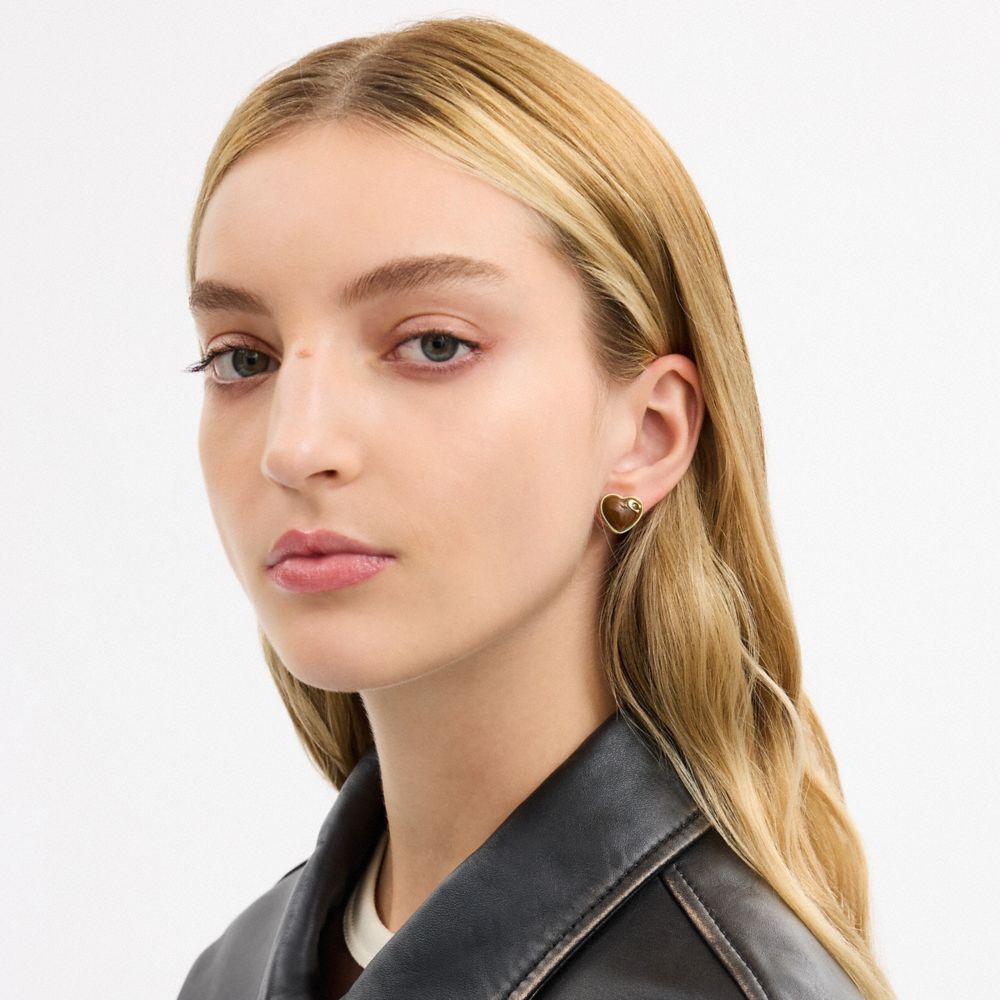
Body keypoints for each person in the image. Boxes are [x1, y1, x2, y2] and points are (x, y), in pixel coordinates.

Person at [176, 15, 896, 1000]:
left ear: (647, 433)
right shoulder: (233, 970)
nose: (294, 447)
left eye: (432, 344)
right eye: (242, 358)